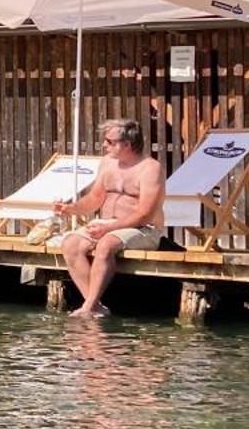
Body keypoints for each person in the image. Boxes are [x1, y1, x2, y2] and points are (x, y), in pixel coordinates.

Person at [52, 117, 165, 318]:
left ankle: (88, 306)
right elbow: (95, 198)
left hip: (143, 229)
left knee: (105, 244)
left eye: (110, 141)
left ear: (128, 144)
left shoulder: (150, 168)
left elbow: (144, 213)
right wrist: (70, 208)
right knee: (70, 243)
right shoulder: (107, 163)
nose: (104, 145)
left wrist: (110, 228)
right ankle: (95, 305)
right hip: (106, 226)